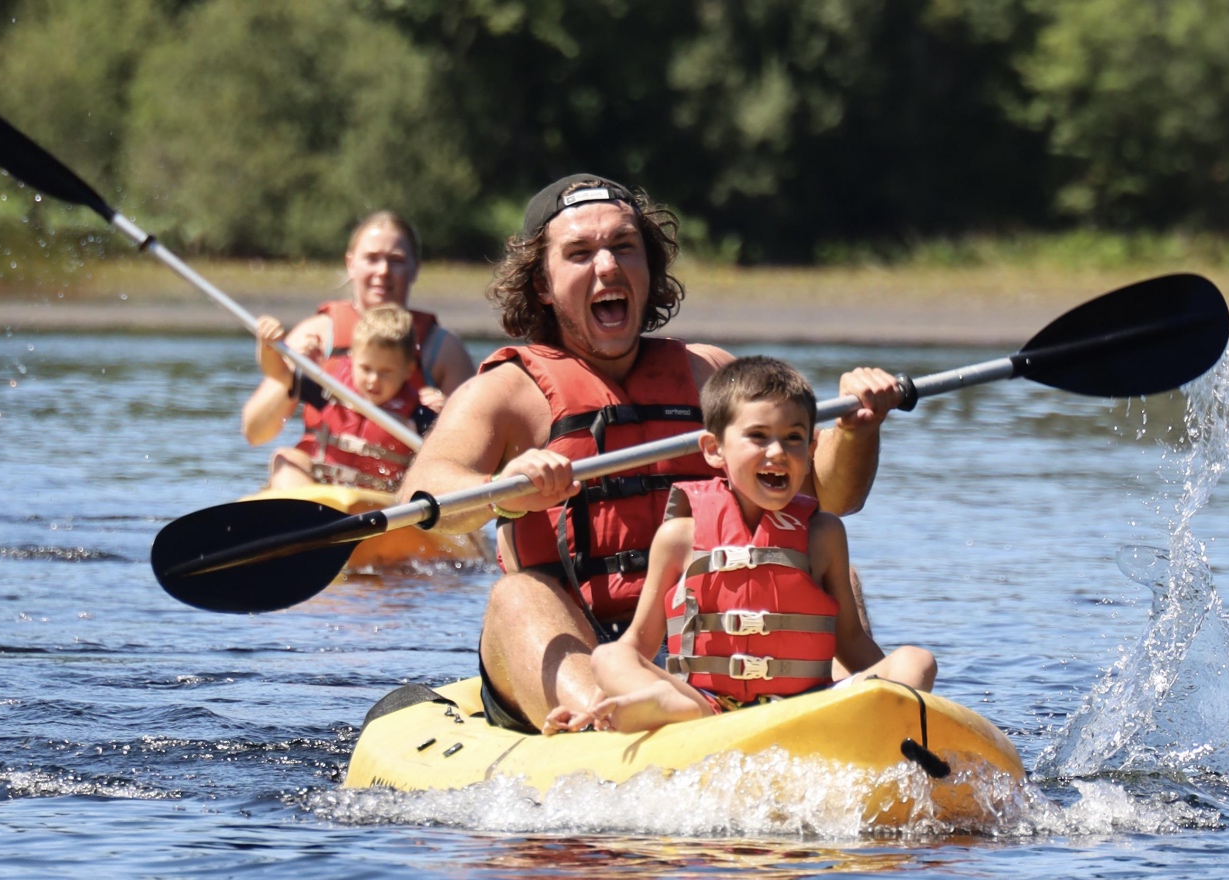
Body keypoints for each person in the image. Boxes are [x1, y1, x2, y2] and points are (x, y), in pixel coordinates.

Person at [400, 173, 906, 734]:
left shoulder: (710, 374)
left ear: (648, 268)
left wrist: (857, 430)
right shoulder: (505, 392)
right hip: (583, 644)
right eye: (580, 253)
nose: (608, 267)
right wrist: (507, 490)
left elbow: (831, 496)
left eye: (623, 247)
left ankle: (857, 715)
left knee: (817, 548)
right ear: (542, 283)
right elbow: (422, 491)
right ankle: (602, 726)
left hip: (711, 642)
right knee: (516, 595)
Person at [545, 356, 936, 734]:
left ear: (811, 448)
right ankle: (665, 704)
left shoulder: (824, 534)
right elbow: (639, 642)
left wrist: (891, 689)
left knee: (917, 661)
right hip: (706, 705)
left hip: (810, 706)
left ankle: (886, 731)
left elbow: (849, 641)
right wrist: (597, 699)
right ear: (714, 450)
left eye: (794, 438)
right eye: (758, 437)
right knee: (608, 654)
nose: (778, 452)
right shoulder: (679, 537)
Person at [241, 211, 473, 480]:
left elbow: (470, 454)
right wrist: (287, 363)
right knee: (285, 461)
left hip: (394, 497)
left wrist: (445, 419)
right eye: (371, 258)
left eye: (395, 261)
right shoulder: (316, 334)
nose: (383, 271)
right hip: (320, 487)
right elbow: (255, 432)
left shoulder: (442, 349)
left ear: (414, 268)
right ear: (351, 264)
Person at [245, 303, 434, 491]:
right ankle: (301, 511)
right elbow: (279, 374)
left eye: (386, 372)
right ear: (352, 360)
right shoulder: (331, 392)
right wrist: (267, 345)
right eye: (366, 368)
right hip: (323, 492)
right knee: (285, 458)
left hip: (378, 502)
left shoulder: (418, 415)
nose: (373, 380)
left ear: (408, 370)